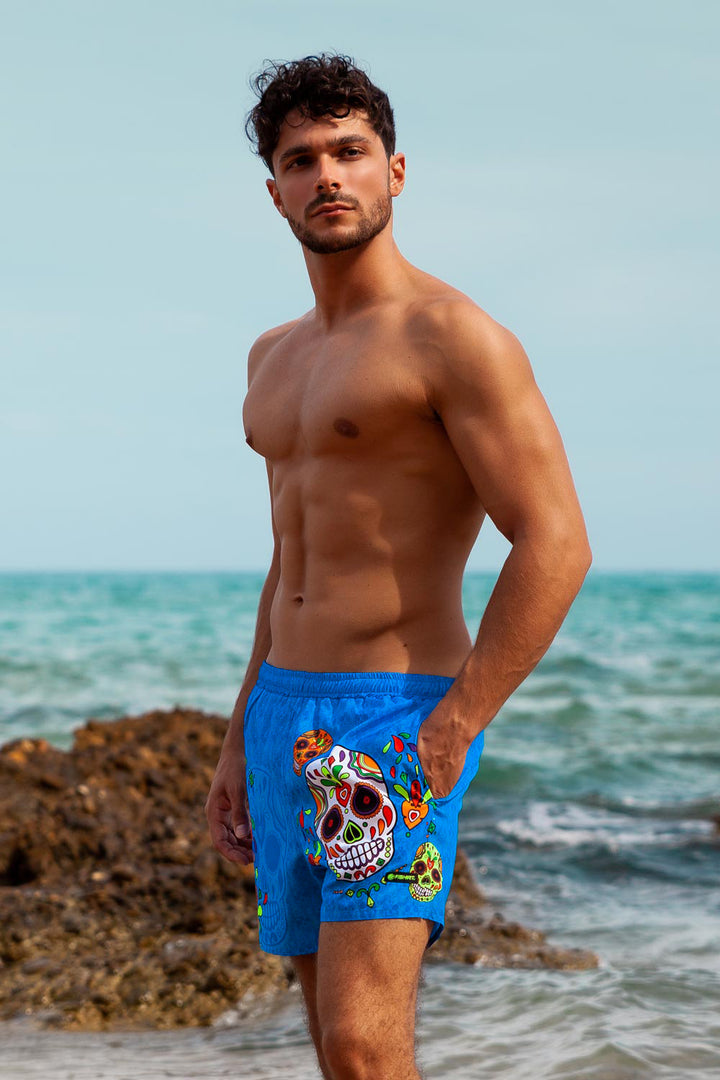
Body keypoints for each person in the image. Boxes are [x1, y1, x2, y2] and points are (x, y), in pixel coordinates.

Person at [205, 53, 592, 1080]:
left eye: (350, 151)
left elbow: (556, 541)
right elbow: (289, 557)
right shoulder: (271, 357)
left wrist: (459, 721)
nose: (328, 175)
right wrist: (240, 730)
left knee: (367, 1047)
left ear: (396, 170)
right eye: (301, 159)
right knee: (335, 1049)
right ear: (275, 191)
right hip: (283, 715)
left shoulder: (454, 339)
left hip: (392, 714)